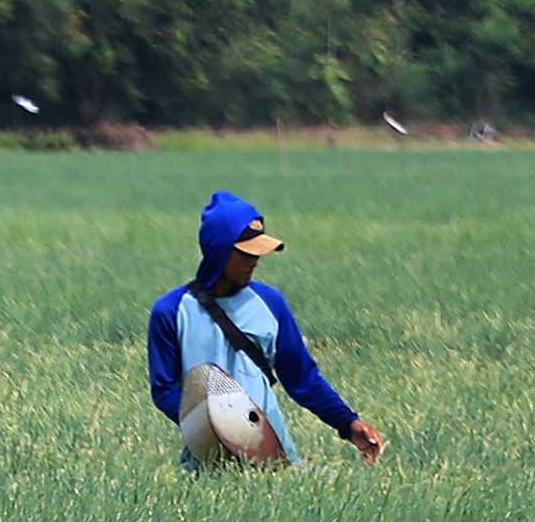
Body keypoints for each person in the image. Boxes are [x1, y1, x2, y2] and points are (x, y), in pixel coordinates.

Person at [146, 191, 382, 467]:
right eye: (246, 253)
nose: (255, 261)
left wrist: (348, 423)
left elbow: (302, 379)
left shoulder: (271, 302)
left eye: (258, 253)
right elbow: (163, 390)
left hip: (274, 455)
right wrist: (213, 429)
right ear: (220, 250)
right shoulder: (171, 310)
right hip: (204, 462)